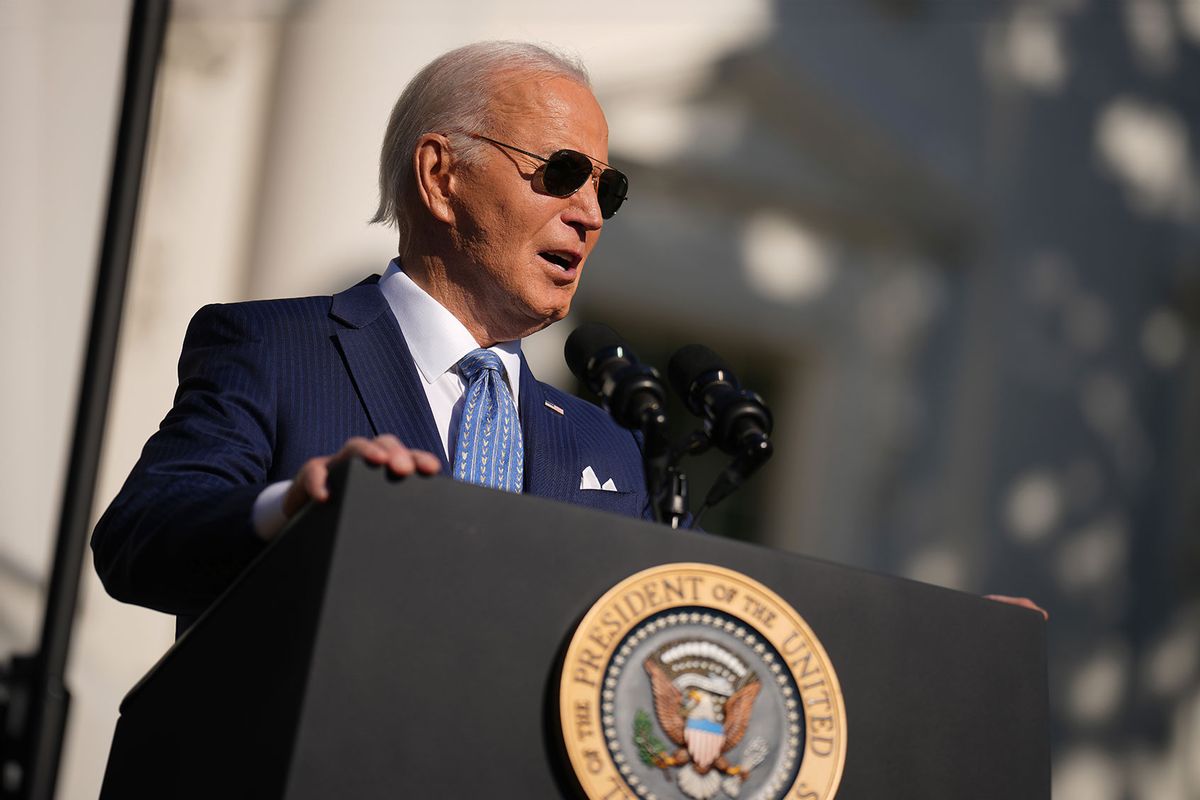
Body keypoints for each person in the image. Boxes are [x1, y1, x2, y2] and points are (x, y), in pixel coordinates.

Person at [91, 42, 646, 631]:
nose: (589, 215)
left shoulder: (608, 446)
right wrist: (290, 512)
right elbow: (142, 535)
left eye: (605, 191)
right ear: (441, 176)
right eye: (562, 173)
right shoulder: (273, 349)